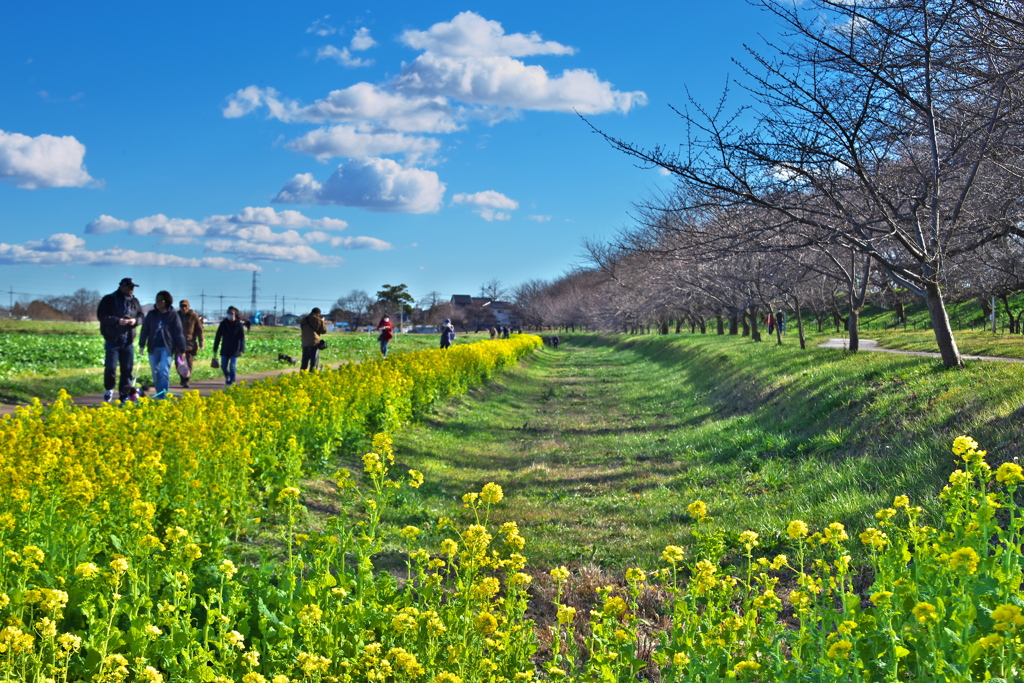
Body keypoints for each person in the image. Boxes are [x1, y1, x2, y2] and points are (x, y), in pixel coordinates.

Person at [96, 277, 145, 402]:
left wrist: (135, 321)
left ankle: (124, 396)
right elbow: (101, 316)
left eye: (133, 288)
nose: (132, 290)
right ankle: (109, 389)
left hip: (128, 341)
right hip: (113, 340)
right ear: (122, 287)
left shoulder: (135, 301)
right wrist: (118, 321)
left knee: (127, 370)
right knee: (111, 368)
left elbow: (141, 316)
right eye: (129, 287)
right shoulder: (109, 299)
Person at [139, 291, 187, 399]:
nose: (159, 302)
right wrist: (141, 345)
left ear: (167, 302)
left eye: (161, 300)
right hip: (153, 347)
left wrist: (182, 350)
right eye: (157, 300)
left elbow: (179, 333)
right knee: (155, 373)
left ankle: (162, 398)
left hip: (167, 347)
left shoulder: (173, 314)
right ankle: (160, 393)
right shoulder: (151, 314)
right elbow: (144, 330)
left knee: (163, 372)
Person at [213, 306, 246, 386]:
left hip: (235, 349)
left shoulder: (239, 325)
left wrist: (242, 349)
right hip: (225, 348)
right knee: (223, 366)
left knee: (232, 366)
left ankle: (232, 381)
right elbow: (218, 336)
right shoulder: (223, 324)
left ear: (235, 314)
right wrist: (215, 348)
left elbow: (242, 338)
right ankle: (228, 376)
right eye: (228, 313)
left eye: (232, 313)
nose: (230, 315)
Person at [177, 299, 204, 388]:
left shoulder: (194, 316)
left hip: (190, 344)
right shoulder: (176, 316)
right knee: (179, 363)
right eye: (182, 306)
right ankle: (182, 378)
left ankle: (186, 380)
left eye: (185, 306)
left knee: (189, 363)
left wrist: (201, 343)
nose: (184, 308)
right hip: (178, 344)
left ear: (188, 307)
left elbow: (199, 330)